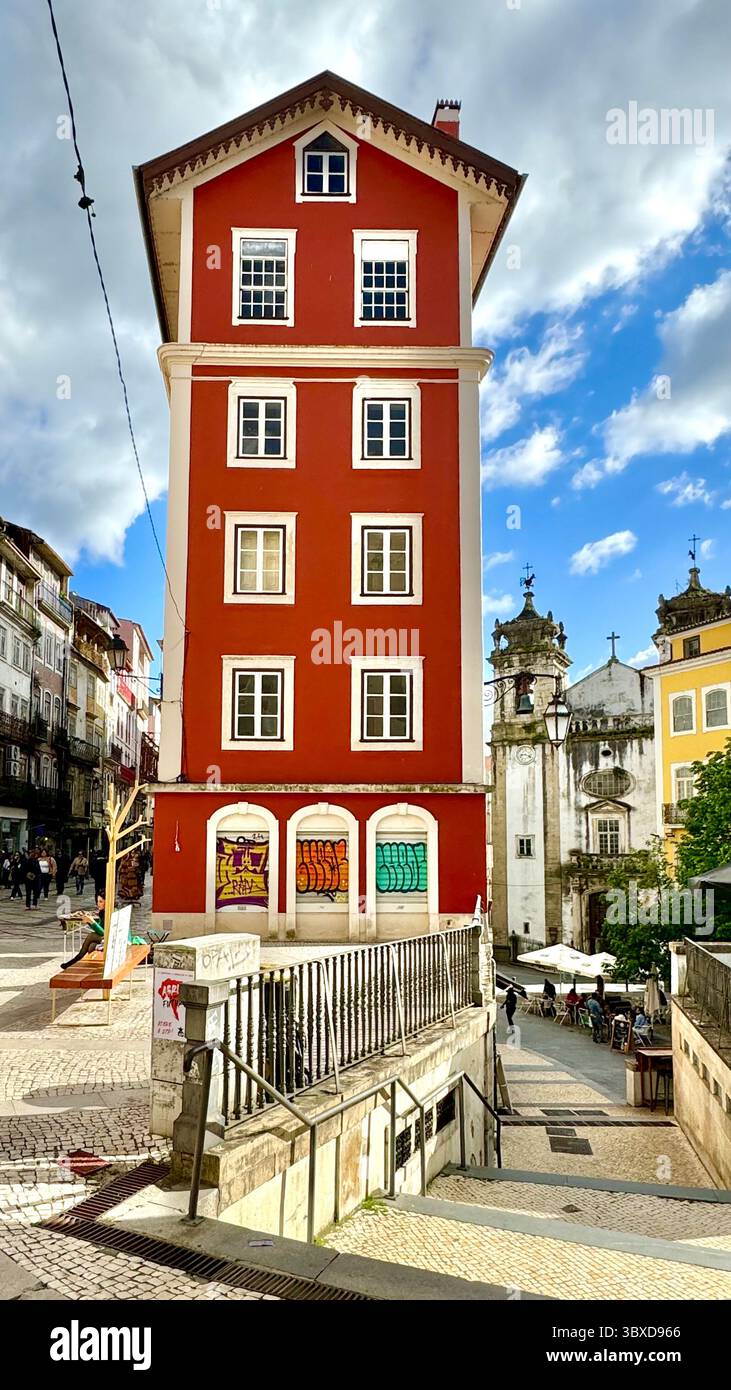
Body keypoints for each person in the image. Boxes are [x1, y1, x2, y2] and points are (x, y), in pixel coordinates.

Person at [60, 893, 144, 970]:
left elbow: (105, 933)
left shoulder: (112, 912)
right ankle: (90, 969)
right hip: (111, 939)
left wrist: (92, 922)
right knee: (91, 946)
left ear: (107, 901)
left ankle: (76, 960)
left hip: (121, 942)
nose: (98, 904)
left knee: (91, 936)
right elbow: (100, 929)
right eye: (97, 901)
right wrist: (89, 921)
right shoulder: (104, 912)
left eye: (101, 901)